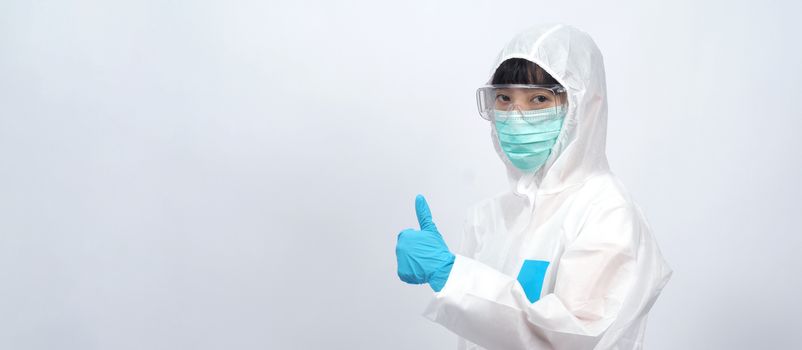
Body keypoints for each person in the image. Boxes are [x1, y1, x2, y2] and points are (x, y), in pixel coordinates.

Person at [395, 23, 672, 350]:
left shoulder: (607, 213)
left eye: (539, 99)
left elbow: (573, 339)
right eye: (503, 98)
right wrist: (453, 277)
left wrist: (452, 276)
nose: (516, 116)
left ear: (586, 107)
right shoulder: (495, 217)